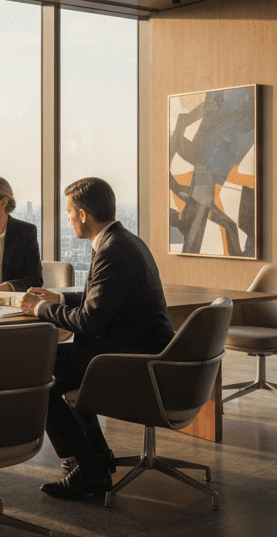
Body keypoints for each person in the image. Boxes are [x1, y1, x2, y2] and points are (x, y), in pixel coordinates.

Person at [19, 177, 174, 499]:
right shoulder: (122, 240)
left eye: (69, 212)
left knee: (38, 379)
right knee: (50, 368)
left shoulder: (113, 250)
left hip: (129, 360)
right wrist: (59, 300)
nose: (69, 219)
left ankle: (89, 469)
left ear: (84, 214)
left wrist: (40, 308)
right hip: (133, 350)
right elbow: (102, 296)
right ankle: (95, 458)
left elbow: (89, 321)